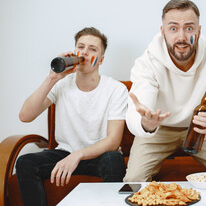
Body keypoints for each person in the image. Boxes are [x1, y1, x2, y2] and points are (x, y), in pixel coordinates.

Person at [124, 0, 206, 182]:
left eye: (189, 28)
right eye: (173, 28)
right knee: (133, 181)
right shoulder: (148, 61)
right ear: (163, 32)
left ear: (198, 31)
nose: (181, 37)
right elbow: (138, 109)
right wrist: (147, 123)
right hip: (159, 129)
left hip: (202, 128)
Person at [16, 27, 128, 206]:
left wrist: (77, 155)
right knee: (25, 162)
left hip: (99, 155)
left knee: (114, 160)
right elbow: (25, 116)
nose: (84, 52)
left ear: (101, 59)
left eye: (92, 49)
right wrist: (52, 78)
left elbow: (113, 141)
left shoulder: (115, 89)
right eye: (81, 47)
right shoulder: (61, 84)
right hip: (65, 153)